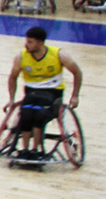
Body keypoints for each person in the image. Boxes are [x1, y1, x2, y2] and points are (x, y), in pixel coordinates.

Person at [5, 26, 82, 161]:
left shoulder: (59, 55)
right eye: (27, 41)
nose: (26, 44)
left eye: (30, 42)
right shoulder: (21, 57)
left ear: (40, 43)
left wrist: (75, 96)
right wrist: (11, 99)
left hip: (53, 92)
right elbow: (12, 77)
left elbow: (77, 72)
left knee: (40, 115)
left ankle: (36, 149)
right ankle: (25, 149)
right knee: (26, 114)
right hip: (32, 92)